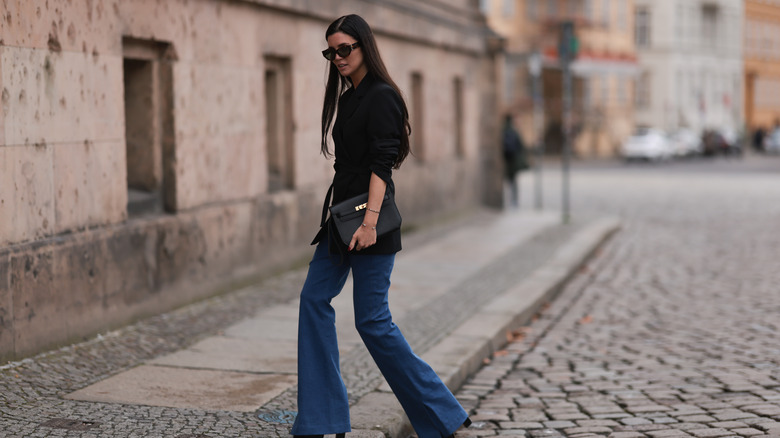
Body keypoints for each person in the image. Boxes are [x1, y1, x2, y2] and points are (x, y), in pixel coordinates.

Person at [290, 14, 471, 438]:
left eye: (344, 49)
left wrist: (370, 223)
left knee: (372, 322)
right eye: (331, 51)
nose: (337, 58)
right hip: (340, 222)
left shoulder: (382, 95)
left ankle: (444, 418)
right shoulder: (349, 95)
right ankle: (321, 420)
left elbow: (382, 164)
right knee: (313, 300)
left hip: (370, 221)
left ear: (363, 46)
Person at [501, 114, 528, 208]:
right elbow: (521, 145)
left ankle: (509, 200)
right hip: (513, 161)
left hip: (506, 160)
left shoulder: (503, 130)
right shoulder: (513, 131)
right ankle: (514, 201)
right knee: (513, 181)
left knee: (508, 181)